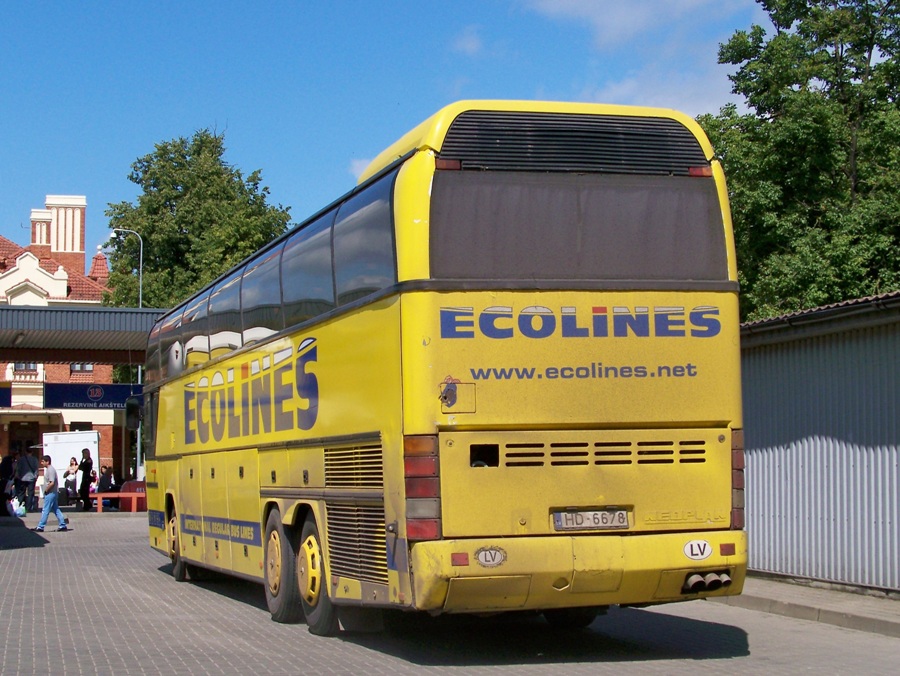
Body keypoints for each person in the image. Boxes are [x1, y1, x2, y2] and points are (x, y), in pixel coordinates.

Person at [31, 455, 69, 532]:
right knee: (56, 509)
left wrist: (46, 490)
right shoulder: (49, 469)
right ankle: (62, 525)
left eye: (43, 461)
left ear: (47, 461)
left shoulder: (50, 470)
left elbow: (52, 483)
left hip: (50, 493)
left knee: (45, 510)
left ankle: (40, 527)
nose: (42, 463)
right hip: (53, 492)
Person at [15, 448, 39, 513]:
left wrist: (19, 477)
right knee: (30, 493)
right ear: (32, 452)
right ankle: (28, 508)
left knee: (21, 493)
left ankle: (19, 506)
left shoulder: (21, 459)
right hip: (31, 479)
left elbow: (18, 469)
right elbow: (36, 469)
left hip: (22, 478)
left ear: (25, 452)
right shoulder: (34, 459)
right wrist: (35, 477)